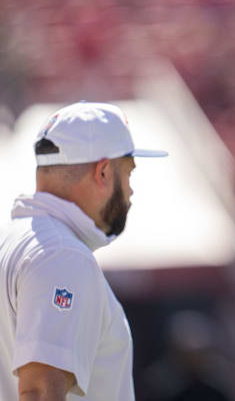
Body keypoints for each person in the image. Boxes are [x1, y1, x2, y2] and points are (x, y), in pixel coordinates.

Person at [0, 101, 167, 401]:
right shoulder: (62, 255)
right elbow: (39, 391)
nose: (130, 191)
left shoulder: (12, 241)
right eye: (128, 173)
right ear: (103, 172)